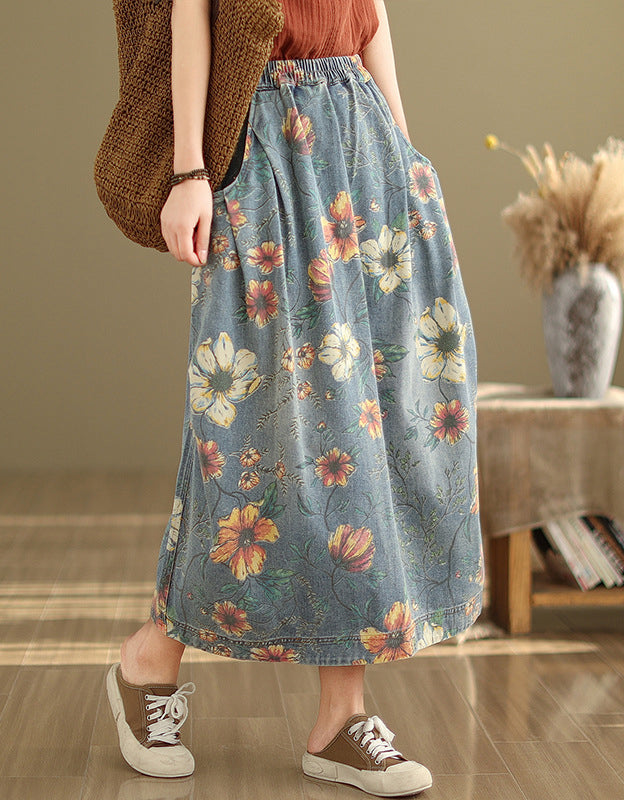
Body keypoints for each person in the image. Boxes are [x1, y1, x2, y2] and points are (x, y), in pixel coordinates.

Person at [105, 0, 484, 796]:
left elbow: (369, 13)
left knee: (372, 437)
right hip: (264, 145)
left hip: (363, 140)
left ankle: (340, 718)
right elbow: (192, 11)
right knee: (253, 440)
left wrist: (404, 154)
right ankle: (151, 656)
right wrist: (189, 171)